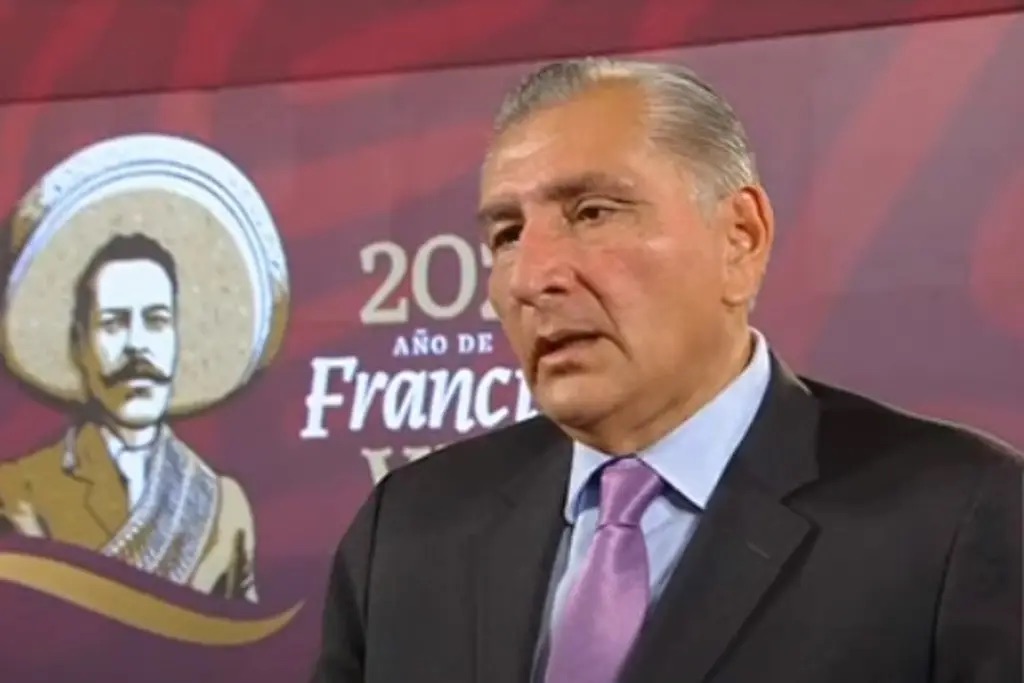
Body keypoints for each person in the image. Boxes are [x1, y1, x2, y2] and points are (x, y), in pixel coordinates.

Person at [310, 58, 1022, 683]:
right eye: (508, 234)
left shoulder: (960, 518)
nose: (532, 277)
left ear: (740, 238)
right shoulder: (407, 531)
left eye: (592, 212)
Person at [0, 232, 258, 602]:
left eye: (156, 321)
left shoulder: (222, 506)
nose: (137, 345)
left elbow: (244, 635)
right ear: (79, 344)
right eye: (113, 323)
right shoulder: (21, 492)